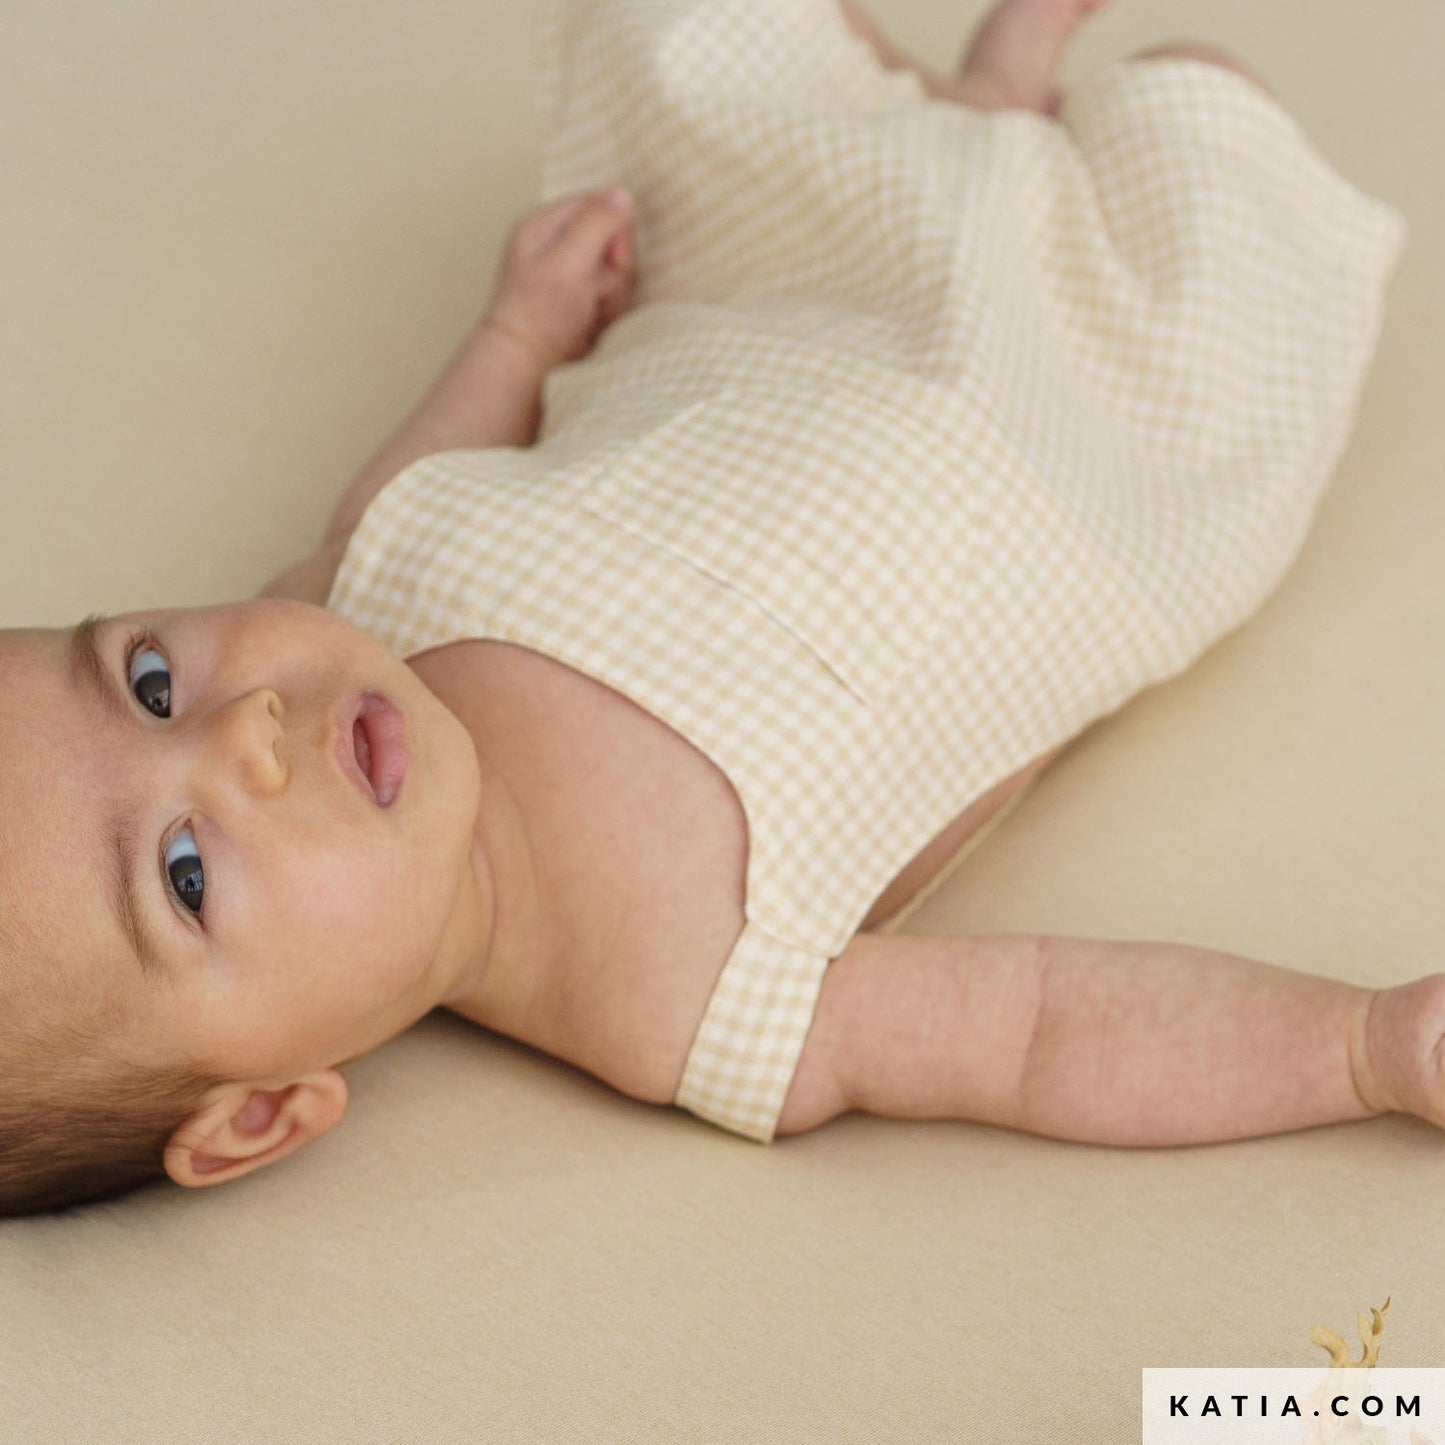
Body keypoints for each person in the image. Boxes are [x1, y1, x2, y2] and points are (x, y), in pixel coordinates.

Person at [0, 0, 1426, 1219]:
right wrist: (1354, 1047)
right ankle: (1007, 121)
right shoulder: (678, 990)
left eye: (144, 680)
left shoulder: (341, 597)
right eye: (185, 872)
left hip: (795, 319)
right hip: (1074, 448)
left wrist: (517, 332)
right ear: (258, 1113)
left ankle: (981, 110)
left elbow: (417, 473)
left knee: (696, 49)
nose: (246, 725)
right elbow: (1038, 1026)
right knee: (1212, 114)